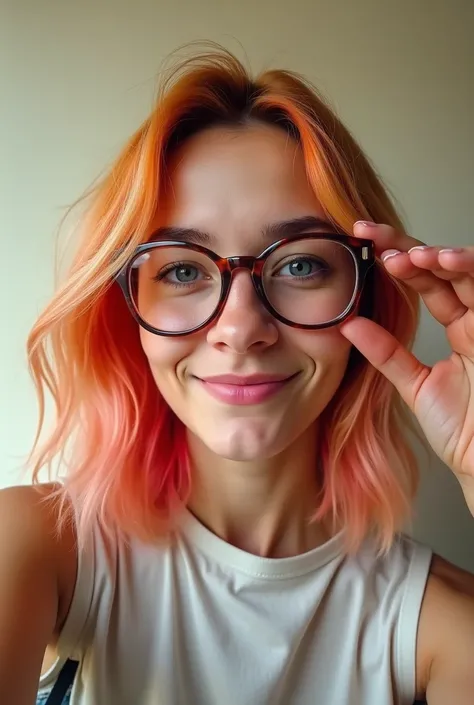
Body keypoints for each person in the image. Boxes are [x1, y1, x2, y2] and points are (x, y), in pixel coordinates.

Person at [1, 45, 474, 705]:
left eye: (302, 264)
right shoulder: (35, 547)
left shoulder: (445, 623)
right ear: (126, 310)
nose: (241, 326)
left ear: (367, 296)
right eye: (183, 270)